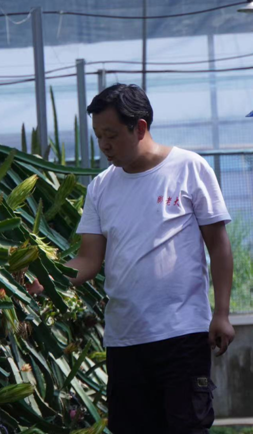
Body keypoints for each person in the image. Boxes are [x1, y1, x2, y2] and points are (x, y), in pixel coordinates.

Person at [64, 84, 235, 434]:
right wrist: (46, 278)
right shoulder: (100, 188)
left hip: (182, 335)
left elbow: (218, 246)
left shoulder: (189, 168)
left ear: (139, 128)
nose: (104, 145)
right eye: (98, 136)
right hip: (124, 339)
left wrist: (221, 313)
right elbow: (88, 260)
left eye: (111, 135)